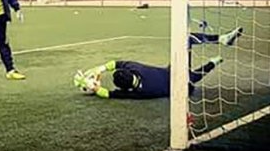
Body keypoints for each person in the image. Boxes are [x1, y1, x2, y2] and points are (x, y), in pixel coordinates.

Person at [78, 26, 243, 99]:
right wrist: (99, 69)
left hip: (180, 86)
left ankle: (214, 62)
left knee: (191, 78)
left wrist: (94, 87)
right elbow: (116, 63)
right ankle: (220, 40)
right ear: (129, 72)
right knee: (187, 42)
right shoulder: (135, 68)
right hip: (174, 74)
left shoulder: (136, 93)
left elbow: (107, 94)